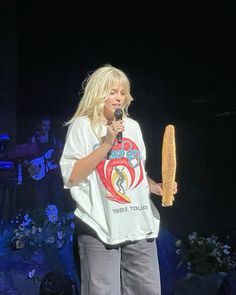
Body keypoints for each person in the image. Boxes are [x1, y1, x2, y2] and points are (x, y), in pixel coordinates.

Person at [60, 64, 178, 295]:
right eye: (112, 92)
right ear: (98, 93)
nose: (119, 98)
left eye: (123, 93)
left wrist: (155, 186)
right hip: (100, 225)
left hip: (138, 223)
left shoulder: (133, 127)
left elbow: (136, 171)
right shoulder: (82, 126)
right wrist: (106, 143)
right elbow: (72, 176)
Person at [26, 116, 64, 211]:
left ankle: (57, 221)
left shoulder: (55, 140)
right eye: (44, 125)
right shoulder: (33, 140)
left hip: (53, 175)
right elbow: (27, 159)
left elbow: (62, 155)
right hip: (39, 176)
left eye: (48, 125)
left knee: (56, 198)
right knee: (40, 200)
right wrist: (31, 167)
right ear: (38, 125)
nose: (46, 128)